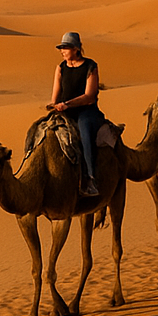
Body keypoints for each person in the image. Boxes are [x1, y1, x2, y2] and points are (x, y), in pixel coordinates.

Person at [47, 31, 106, 197]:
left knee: (85, 132)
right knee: (41, 130)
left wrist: (67, 104)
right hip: (64, 111)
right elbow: (56, 94)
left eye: (65, 48)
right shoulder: (60, 68)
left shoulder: (90, 67)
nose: (62, 51)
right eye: (61, 48)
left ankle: (90, 178)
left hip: (86, 112)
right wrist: (53, 105)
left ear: (76, 49)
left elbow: (89, 96)